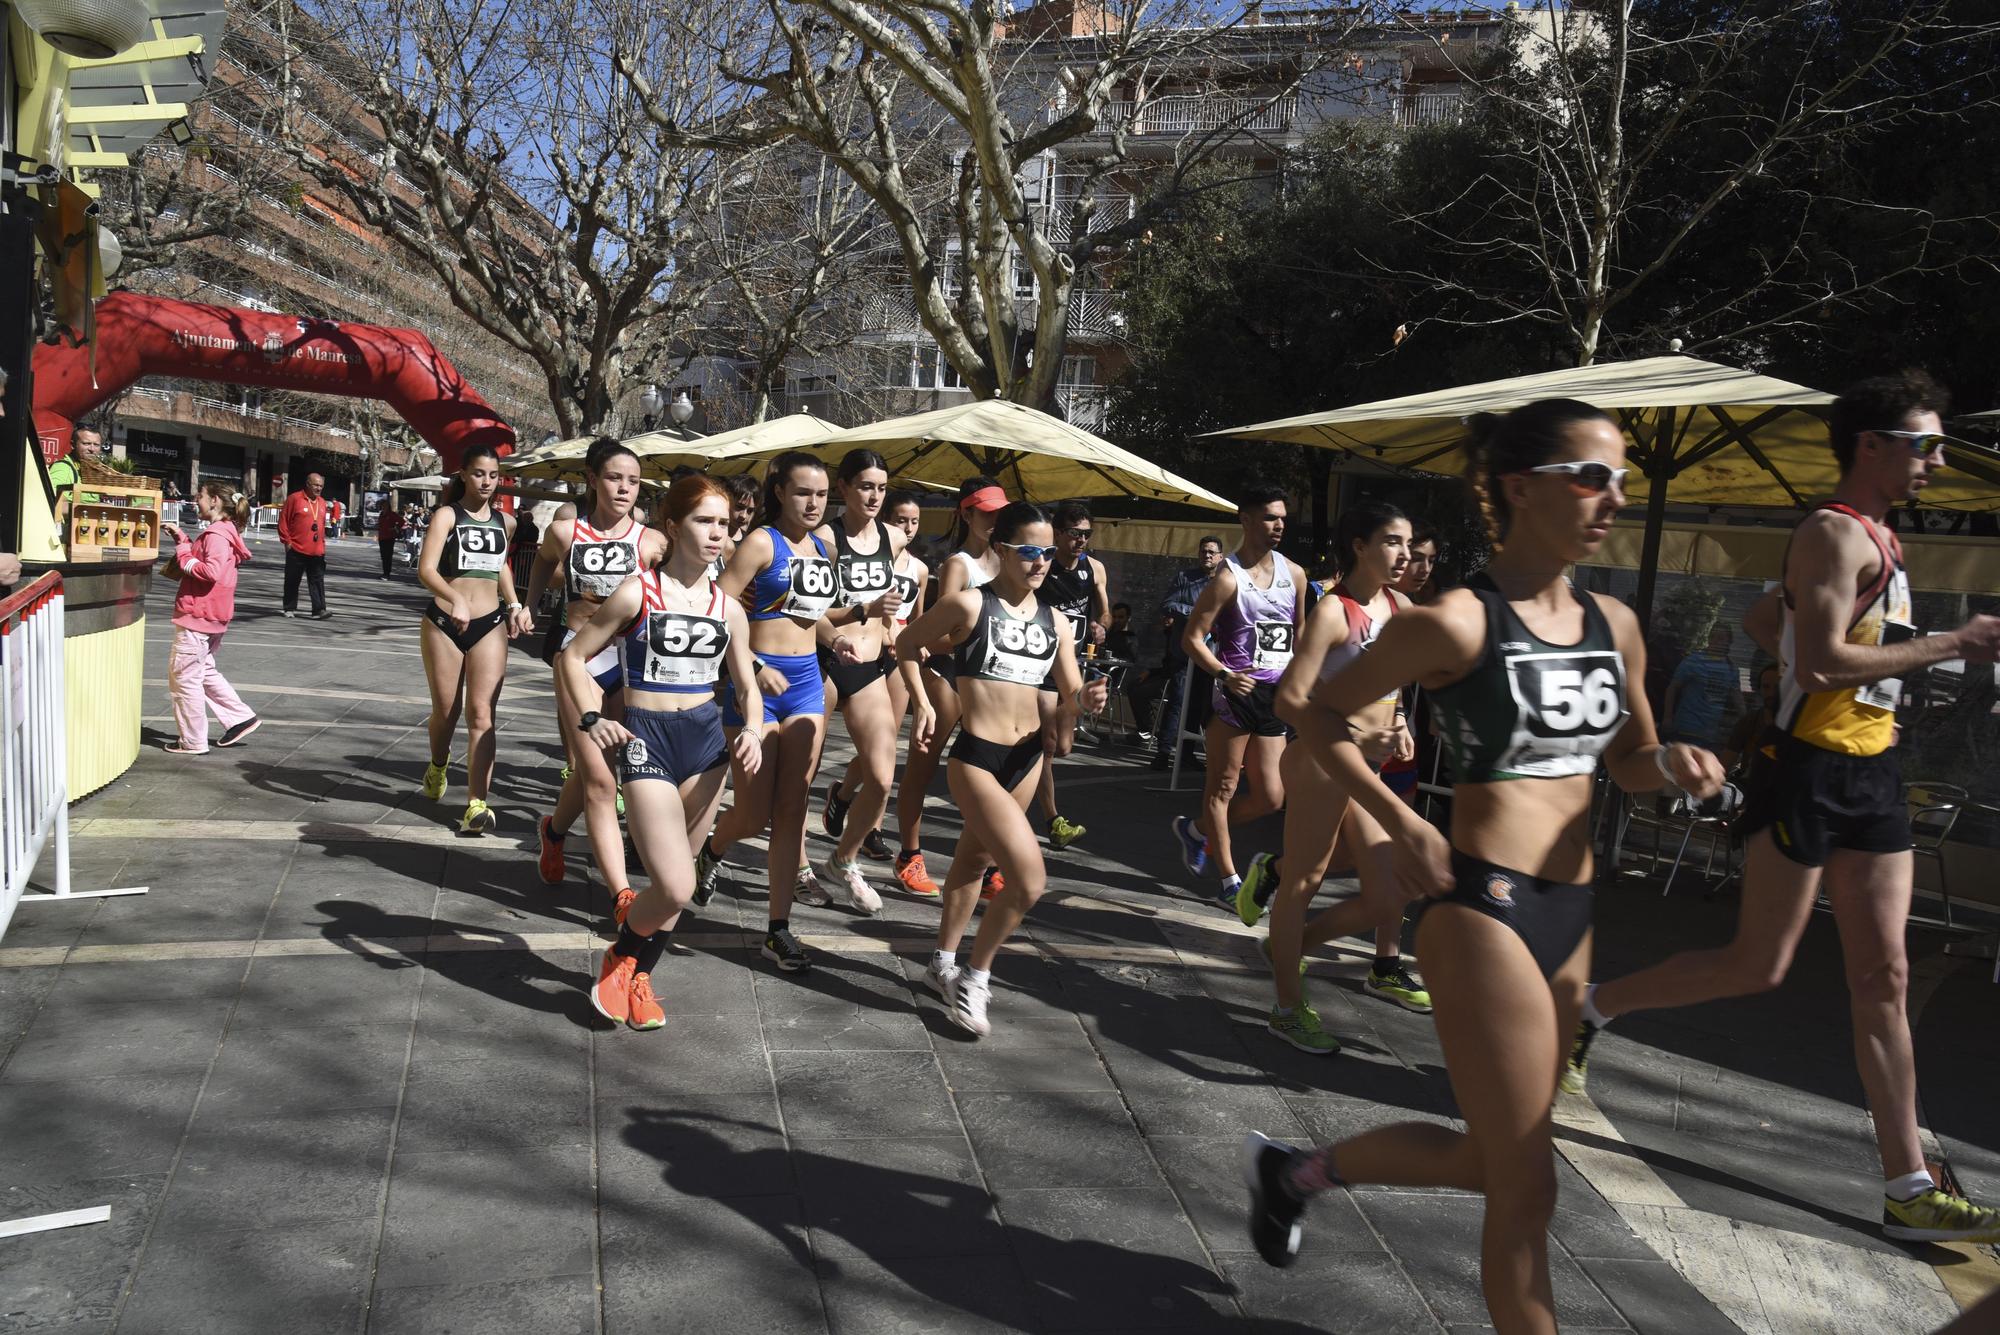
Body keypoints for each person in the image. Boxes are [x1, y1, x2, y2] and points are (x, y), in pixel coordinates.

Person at [1242, 398, 1723, 1333]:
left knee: (1495, 1158)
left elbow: (1626, 760)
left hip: (1572, 906)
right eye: (1591, 475)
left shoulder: (1615, 623)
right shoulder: (1456, 621)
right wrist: (1401, 819)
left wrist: (1671, 765)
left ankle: (1297, 1172)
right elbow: (1315, 713)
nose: (1613, 497)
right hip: (1482, 904)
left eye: (1622, 478)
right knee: (1529, 1188)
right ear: (1519, 487)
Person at [1564, 369, 2000, 1245]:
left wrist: (1794, 653)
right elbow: (1834, 662)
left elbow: (1772, 619)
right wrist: (1952, 642)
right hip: (1805, 772)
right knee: (1757, 964)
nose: (1937, 460)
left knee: (1884, 976)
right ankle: (1591, 1006)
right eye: (1923, 445)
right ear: (1871, 446)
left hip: (1871, 774)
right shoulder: (1834, 535)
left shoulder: (1882, 537)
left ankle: (1907, 1182)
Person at [559, 474, 762, 1031]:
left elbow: (745, 685)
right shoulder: (637, 591)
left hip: (707, 745)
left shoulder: (728, 607)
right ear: (673, 526)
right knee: (675, 883)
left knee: (678, 887)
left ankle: (640, 974)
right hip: (647, 737)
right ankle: (621, 954)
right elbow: (572, 659)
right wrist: (594, 717)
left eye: (723, 523)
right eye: (704, 521)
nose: (717, 533)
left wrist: (753, 730)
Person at [896, 502, 1107, 1036]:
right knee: (1028, 880)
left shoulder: (1055, 621)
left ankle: (942, 961)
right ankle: (976, 976)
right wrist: (921, 702)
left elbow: (1069, 695)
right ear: (1003, 550)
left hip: (1027, 759)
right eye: (1029, 552)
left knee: (971, 861)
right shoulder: (968, 605)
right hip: (977, 758)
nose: (1040, 563)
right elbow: (906, 643)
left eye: (1047, 553)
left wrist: (1088, 701)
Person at [1238, 500, 1430, 1055]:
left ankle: (1283, 932)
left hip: (1369, 764)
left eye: (1409, 543)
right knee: (1306, 880)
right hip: (1322, 760)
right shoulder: (1331, 612)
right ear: (1360, 547)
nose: (1405, 554)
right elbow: (1292, 700)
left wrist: (1397, 720)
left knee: (1388, 894)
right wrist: (1353, 736)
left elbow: (1391, 684)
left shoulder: (1402, 606)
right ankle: (1286, 1009)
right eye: (1392, 542)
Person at [697, 452, 889, 971]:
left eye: (822, 494)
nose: (814, 503)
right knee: (755, 811)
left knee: (792, 811)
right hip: (757, 687)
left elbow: (811, 616)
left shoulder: (824, 545)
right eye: (804, 492)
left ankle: (777, 929)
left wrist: (839, 637)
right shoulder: (761, 543)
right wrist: (753, 664)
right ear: (779, 492)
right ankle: (712, 852)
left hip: (807, 684)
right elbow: (717, 610)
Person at [527, 438, 666, 901]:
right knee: (603, 780)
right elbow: (543, 562)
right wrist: (527, 606)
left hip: (630, 660)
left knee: (600, 772)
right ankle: (622, 896)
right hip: (578, 657)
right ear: (592, 479)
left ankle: (554, 830)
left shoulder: (650, 542)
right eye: (614, 478)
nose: (625, 488)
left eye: (632, 480)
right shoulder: (566, 533)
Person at [1172, 486, 1307, 907]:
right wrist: (1225, 673)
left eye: (1282, 517)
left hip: (1275, 694)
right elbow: (1191, 639)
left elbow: (1300, 634)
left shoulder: (1295, 574)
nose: (1279, 525)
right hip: (1233, 695)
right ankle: (1230, 881)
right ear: (1246, 521)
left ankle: (1197, 830)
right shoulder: (1228, 578)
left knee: (1272, 797)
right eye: (1270, 517)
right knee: (1224, 788)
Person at [893, 477, 1009, 900]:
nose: (995, 520)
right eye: (986, 512)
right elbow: (934, 634)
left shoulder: (1010, 560)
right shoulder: (958, 565)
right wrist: (973, 634)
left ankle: (991, 864)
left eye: (1000, 512)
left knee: (995, 774)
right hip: (948, 675)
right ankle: (909, 855)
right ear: (967, 513)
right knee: (922, 766)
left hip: (991, 681)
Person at [416, 445, 534, 833]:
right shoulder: (446, 516)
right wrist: (454, 600)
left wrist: (515, 603)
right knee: (447, 713)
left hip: (489, 624)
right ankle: (438, 764)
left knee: (482, 715)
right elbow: (426, 570)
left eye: (493, 475)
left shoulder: (507, 522)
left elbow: (500, 563)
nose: (486, 482)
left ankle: (477, 803)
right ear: (464, 474)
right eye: (479, 473)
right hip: (444, 622)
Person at [816, 450, 912, 904]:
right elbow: (810, 611)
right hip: (825, 661)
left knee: (879, 777)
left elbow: (893, 603)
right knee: (800, 778)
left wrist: (892, 631)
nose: (874, 496)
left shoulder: (893, 538)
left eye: (881, 487)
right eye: (865, 486)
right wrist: (858, 614)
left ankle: (843, 860)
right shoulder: (825, 539)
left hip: (870, 666)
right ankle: (797, 870)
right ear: (844, 488)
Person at [826, 489, 929, 864]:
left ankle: (870, 829)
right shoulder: (837, 540)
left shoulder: (918, 568)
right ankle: (840, 807)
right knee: (851, 758)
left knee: (881, 759)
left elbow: (915, 619)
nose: (908, 528)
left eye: (915, 521)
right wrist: (875, 619)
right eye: (901, 520)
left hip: (891, 661)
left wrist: (905, 638)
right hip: (838, 654)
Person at [158, 483, 261, 754]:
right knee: (202, 671)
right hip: (211, 614)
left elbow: (209, 571)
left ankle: (192, 740)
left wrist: (183, 553)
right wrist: (183, 540)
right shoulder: (226, 533)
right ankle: (240, 718)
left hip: (198, 613)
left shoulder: (216, 534)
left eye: (200, 497)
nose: (196, 501)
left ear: (214, 501)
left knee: (184, 677)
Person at [1032, 501, 1110, 849]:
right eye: (1075, 534)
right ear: (1059, 533)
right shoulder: (1043, 566)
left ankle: (1017, 777)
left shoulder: (1094, 569)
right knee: (1047, 748)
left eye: (1087, 534)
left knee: (1062, 746)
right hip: (1039, 664)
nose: (1081, 541)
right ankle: (1053, 821)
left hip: (1072, 665)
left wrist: (1100, 626)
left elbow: (1106, 612)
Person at [1379, 524, 1443, 806]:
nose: (1425, 568)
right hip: (1361, 737)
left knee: (1395, 837)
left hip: (1405, 739)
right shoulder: (1359, 603)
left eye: (1431, 560)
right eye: (1418, 557)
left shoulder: (1413, 610)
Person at [1150, 535, 1225, 769]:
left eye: (1212, 552)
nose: (1207, 555)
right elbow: (1167, 605)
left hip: (1210, 655)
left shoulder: (1225, 582)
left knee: (1198, 705)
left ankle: (1186, 754)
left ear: (1220, 557)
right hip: (1184, 653)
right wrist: (1196, 612)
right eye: (1204, 551)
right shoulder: (1185, 578)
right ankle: (1163, 753)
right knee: (1177, 702)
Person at [1663, 622, 1739, 747]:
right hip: (1687, 728)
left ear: (1729, 642)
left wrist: (1747, 718)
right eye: (1713, 637)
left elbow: (1736, 695)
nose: (1715, 641)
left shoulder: (1731, 668)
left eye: (1720, 638)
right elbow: (1673, 688)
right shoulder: (1694, 661)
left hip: (1710, 733)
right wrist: (1667, 717)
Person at [278, 472, 331, 619]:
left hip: (316, 550)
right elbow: (283, 521)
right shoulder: (294, 499)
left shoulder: (322, 502)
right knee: (292, 579)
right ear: (307, 484)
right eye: (316, 485)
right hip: (296, 548)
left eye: (321, 486)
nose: (318, 488)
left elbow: (320, 526)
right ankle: (289, 607)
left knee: (317, 581)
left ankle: (319, 610)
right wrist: (287, 542)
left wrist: (322, 545)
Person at [47, 425, 104, 535]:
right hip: (66, 536)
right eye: (86, 443)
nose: (92, 449)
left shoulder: (94, 471)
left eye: (96, 445)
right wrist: (95, 509)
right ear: (73, 444)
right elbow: (50, 503)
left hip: (88, 533)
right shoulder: (63, 468)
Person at [377, 503, 406, 580]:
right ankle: (384, 573)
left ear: (388, 507)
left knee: (388, 556)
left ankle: (387, 574)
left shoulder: (392, 514)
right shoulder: (381, 514)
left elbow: (402, 521)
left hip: (389, 538)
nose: (383, 507)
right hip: (382, 537)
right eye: (382, 506)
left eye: (385, 506)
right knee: (383, 556)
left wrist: (395, 528)